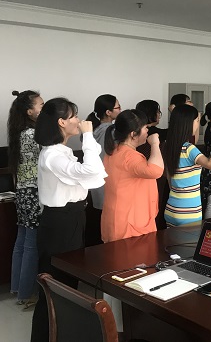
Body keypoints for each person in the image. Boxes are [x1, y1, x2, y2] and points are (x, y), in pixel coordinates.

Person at [31, 97, 107, 342]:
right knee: (54, 287)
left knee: (67, 285)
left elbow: (94, 174)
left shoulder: (62, 152)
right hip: (59, 224)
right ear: (61, 122)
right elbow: (91, 170)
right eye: (74, 116)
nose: (79, 120)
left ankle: (62, 334)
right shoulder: (52, 155)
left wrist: (88, 139)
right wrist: (88, 136)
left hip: (72, 218)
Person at [101, 110, 164, 243]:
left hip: (118, 220)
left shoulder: (114, 151)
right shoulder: (129, 156)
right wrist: (155, 144)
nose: (148, 131)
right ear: (133, 134)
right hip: (130, 225)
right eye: (145, 128)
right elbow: (156, 170)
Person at [8, 90, 44, 309]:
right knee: (31, 244)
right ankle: (27, 293)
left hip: (23, 192)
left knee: (21, 241)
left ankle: (18, 288)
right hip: (33, 192)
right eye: (41, 105)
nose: (44, 108)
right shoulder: (33, 134)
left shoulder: (20, 132)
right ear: (30, 111)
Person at [163, 105, 211, 226]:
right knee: (190, 239)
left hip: (171, 208)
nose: (198, 124)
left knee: (172, 239)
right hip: (188, 212)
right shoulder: (189, 149)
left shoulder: (168, 147)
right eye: (197, 120)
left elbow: (169, 178)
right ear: (188, 123)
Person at [85, 94, 121, 245]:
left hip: (96, 180)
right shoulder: (111, 131)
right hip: (107, 178)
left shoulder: (94, 129)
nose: (120, 110)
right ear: (108, 112)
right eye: (118, 107)